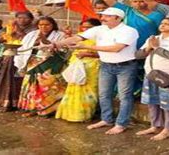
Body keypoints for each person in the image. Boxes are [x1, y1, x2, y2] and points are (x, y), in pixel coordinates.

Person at [60, 7, 139, 135]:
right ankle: (106, 119)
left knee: (124, 96)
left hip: (125, 66)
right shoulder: (99, 29)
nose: (103, 18)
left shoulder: (129, 31)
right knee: (104, 94)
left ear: (118, 18)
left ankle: (121, 123)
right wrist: (55, 44)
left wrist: (87, 46)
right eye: (103, 16)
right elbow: (77, 38)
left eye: (108, 16)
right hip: (106, 65)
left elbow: (116, 48)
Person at [15, 16, 67, 116]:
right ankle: (33, 109)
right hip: (32, 64)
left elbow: (63, 50)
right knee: (32, 88)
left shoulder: (60, 35)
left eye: (47, 25)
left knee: (48, 87)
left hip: (50, 64)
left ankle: (48, 111)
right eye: (41, 25)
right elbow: (23, 48)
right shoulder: (31, 35)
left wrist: (45, 41)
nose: (43, 27)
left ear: (53, 25)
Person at [55, 18, 101, 122]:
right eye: (84, 27)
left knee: (89, 91)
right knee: (73, 88)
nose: (86, 29)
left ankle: (84, 115)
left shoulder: (101, 37)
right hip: (77, 65)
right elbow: (69, 46)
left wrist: (87, 54)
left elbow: (105, 53)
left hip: (93, 66)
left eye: (89, 27)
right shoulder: (80, 36)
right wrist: (68, 36)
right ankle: (70, 114)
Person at [95, 0, 163, 48]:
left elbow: (162, 32)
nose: (138, 3)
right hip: (127, 46)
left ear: (146, 1)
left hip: (148, 47)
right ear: (131, 2)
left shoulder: (157, 15)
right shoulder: (127, 10)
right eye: (135, 1)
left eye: (141, 1)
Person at [0, 11, 37, 110]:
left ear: (31, 19)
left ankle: (19, 103)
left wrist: (21, 35)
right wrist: (8, 35)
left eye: (25, 18)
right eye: (19, 18)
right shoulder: (10, 27)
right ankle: (5, 102)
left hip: (26, 57)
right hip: (9, 56)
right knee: (7, 78)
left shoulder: (34, 29)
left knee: (20, 80)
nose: (22, 20)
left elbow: (34, 43)